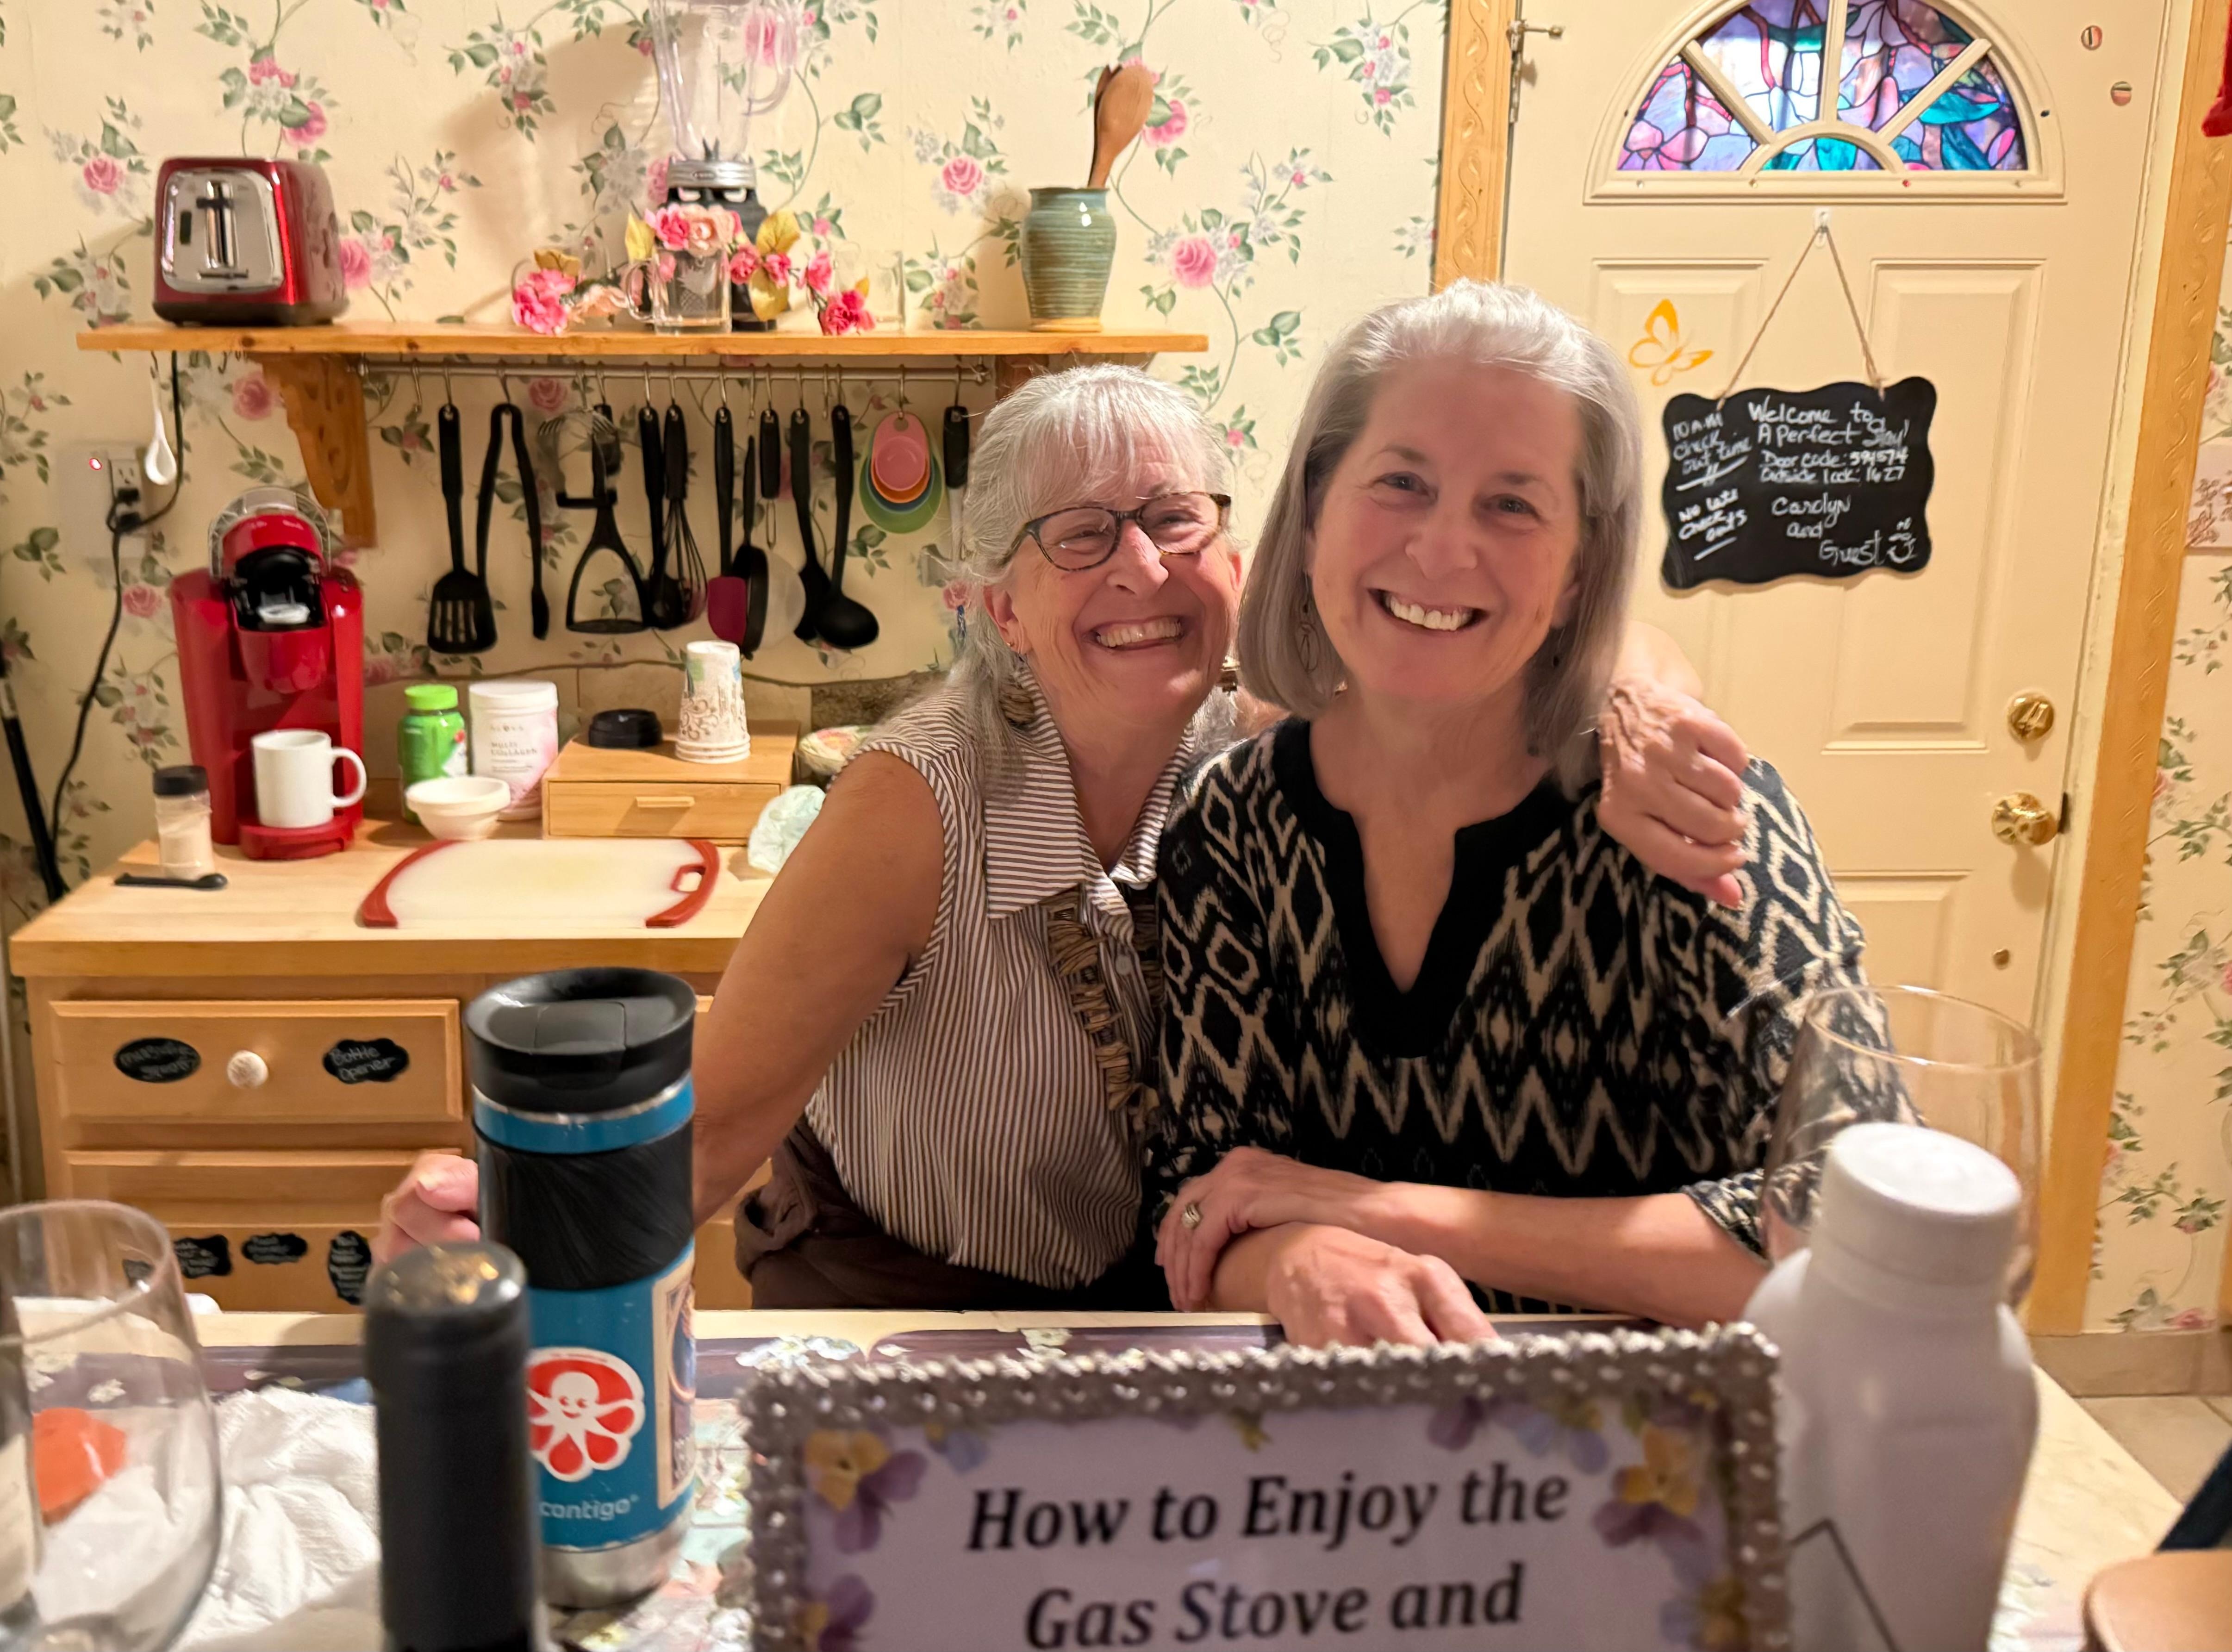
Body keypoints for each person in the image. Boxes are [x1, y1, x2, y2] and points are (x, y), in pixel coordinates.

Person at [376, 363, 1752, 1308]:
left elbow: (1543, 638)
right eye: (1079, 536)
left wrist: (1633, 704)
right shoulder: (911, 806)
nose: (1141, 569)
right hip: (904, 1291)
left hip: (1182, 1292)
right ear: (998, 609)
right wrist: (493, 1241)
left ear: (1236, 556)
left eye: (1172, 519)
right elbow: (706, 1138)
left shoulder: (1279, 730)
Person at [1147, 282, 1870, 1346]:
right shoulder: (1232, 824)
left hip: (1638, 1475)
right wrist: (1295, 1258)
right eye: (1401, 481)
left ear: (1581, 571)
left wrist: (1378, 1213)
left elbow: (1852, 1230)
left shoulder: (1695, 818)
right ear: (1309, 518)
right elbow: (1205, 1197)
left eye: (1512, 503)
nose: (1442, 552)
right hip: (1328, 1458)